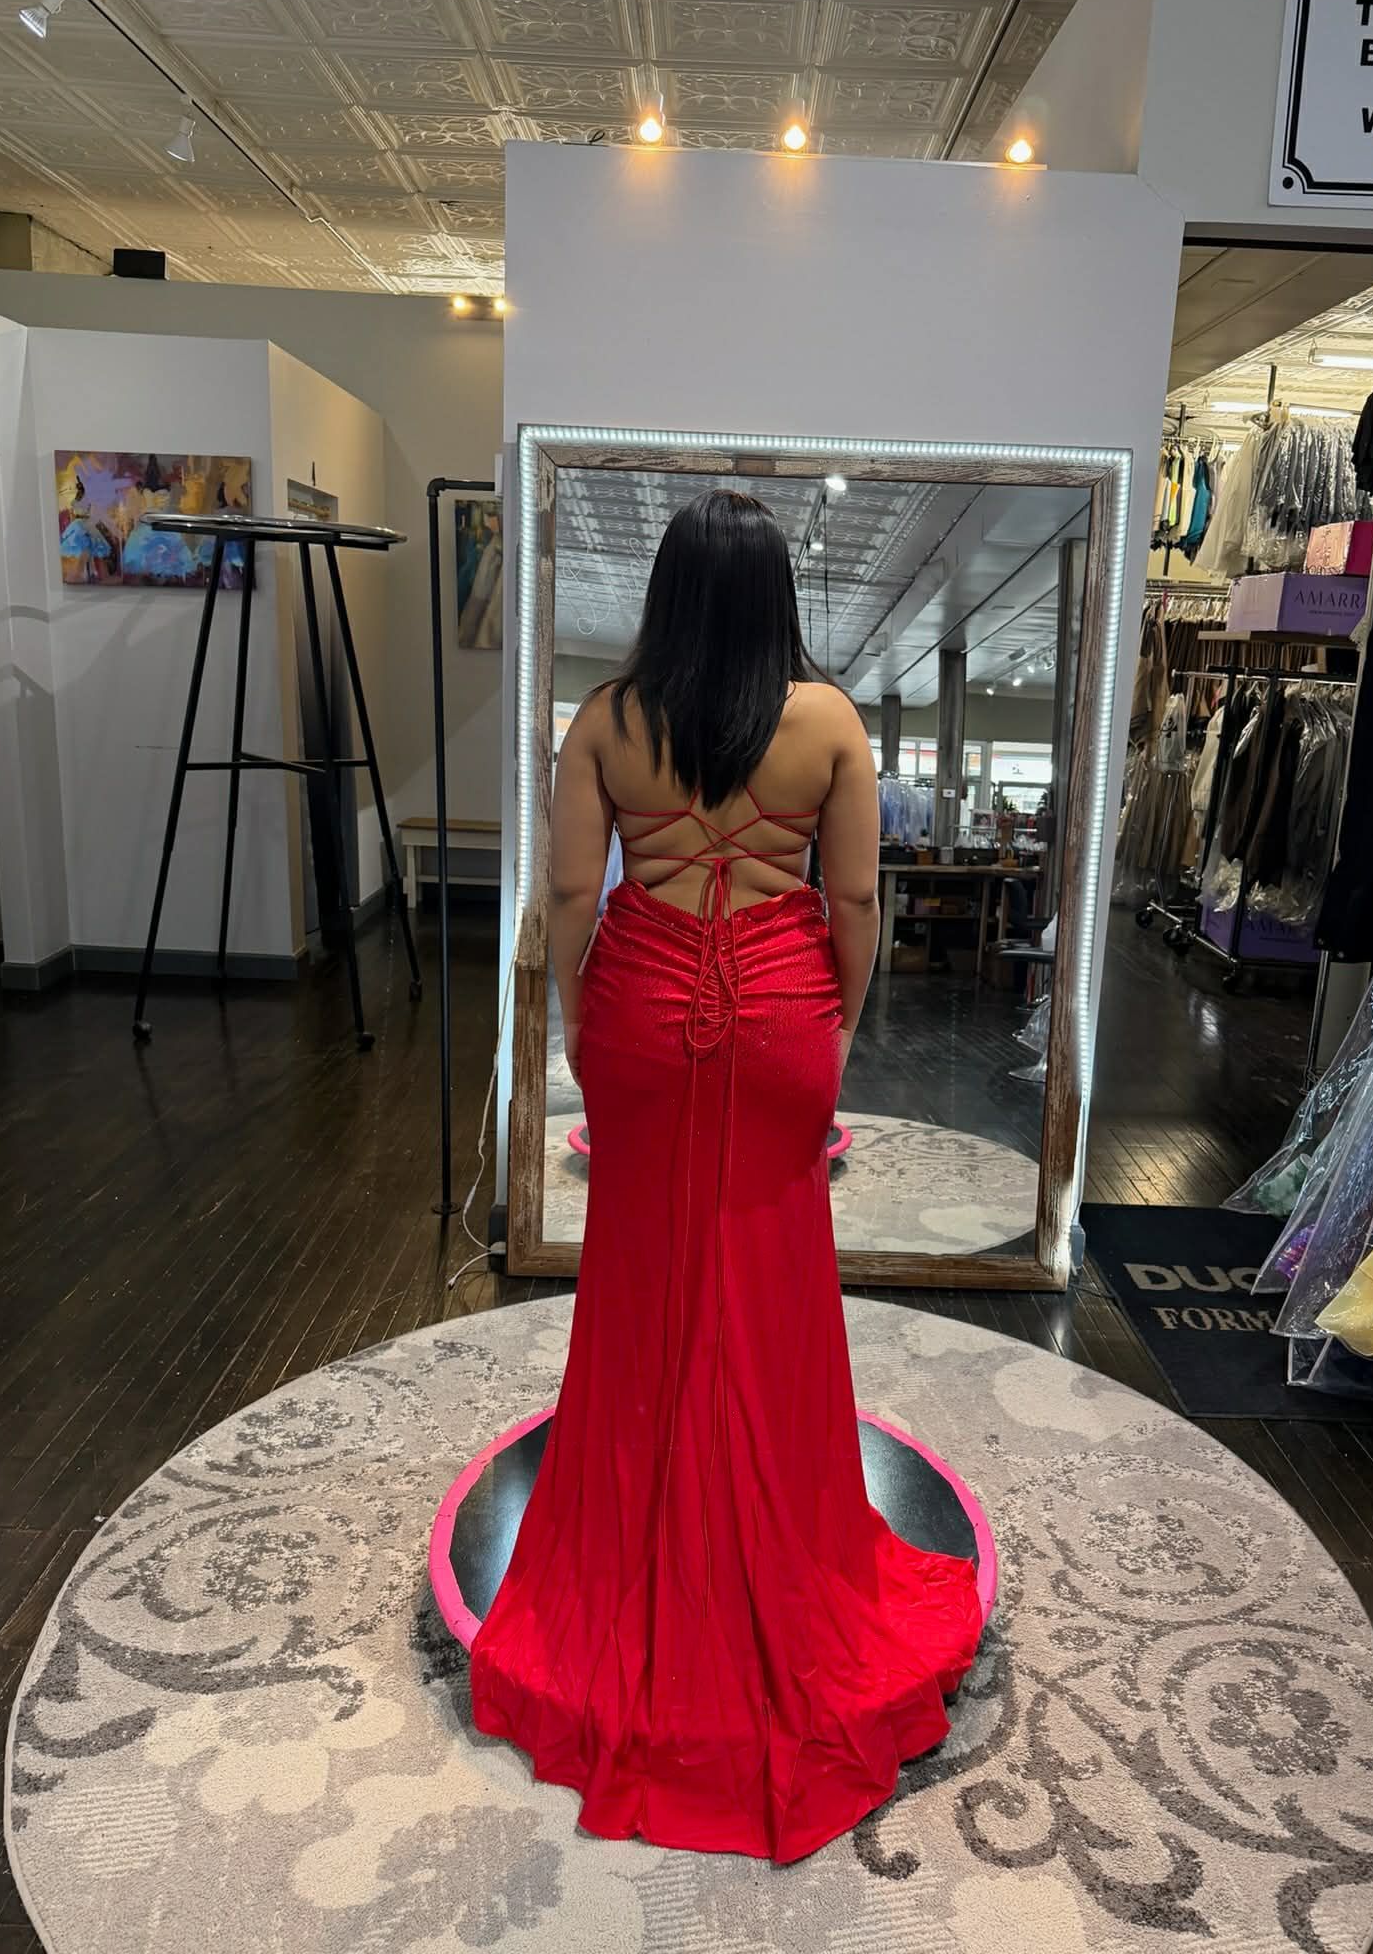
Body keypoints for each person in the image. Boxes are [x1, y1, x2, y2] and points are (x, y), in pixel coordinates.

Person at [466, 489, 985, 1862]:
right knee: (772, 1276)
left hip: (644, 1003)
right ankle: (786, 1544)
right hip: (780, 1011)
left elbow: (573, 899)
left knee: (644, 1273)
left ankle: (633, 1543)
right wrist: (838, 1020)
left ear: (668, 591)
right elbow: (858, 900)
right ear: (774, 593)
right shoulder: (829, 725)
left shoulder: (606, 721)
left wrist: (590, 1018)